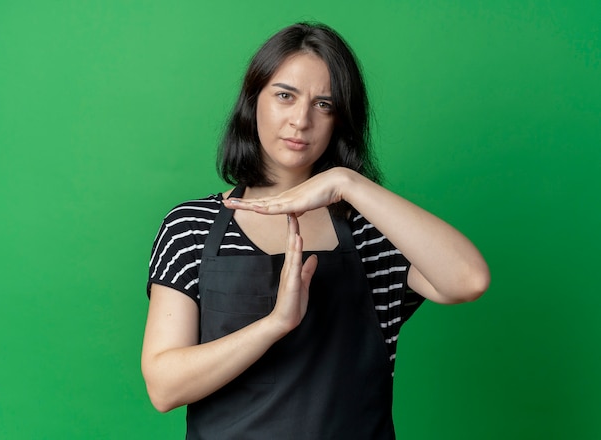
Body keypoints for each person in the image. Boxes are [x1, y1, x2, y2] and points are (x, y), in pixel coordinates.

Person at [141, 22, 490, 439]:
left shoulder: (370, 231)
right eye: (285, 96)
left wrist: (348, 184)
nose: (301, 120)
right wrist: (275, 323)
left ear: (341, 120)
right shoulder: (190, 227)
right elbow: (164, 386)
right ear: (253, 102)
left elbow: (468, 280)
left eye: (324, 104)